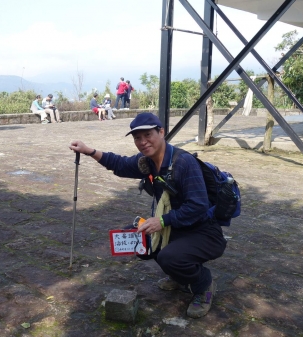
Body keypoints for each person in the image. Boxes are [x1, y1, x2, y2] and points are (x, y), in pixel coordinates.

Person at [68, 112, 226, 318]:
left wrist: (161, 221)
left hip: (203, 233)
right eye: (137, 138)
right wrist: (88, 150)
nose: (143, 142)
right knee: (135, 240)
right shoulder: (148, 162)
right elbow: (120, 164)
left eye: (148, 135)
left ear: (161, 132)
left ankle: (203, 283)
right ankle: (179, 275)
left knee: (169, 257)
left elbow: (198, 206)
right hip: (176, 228)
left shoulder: (184, 163)